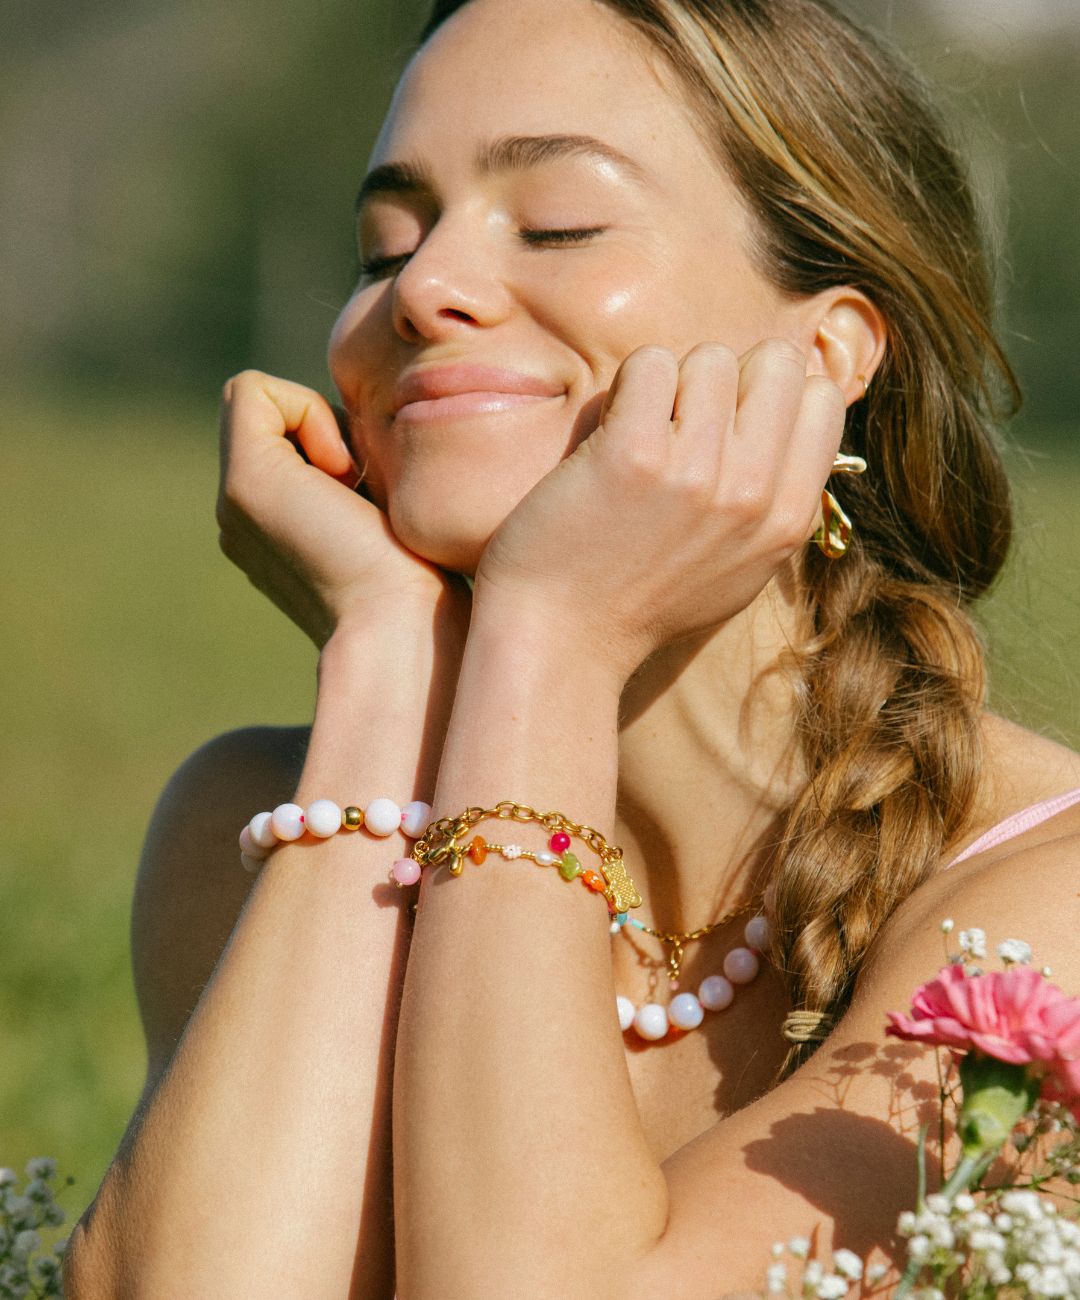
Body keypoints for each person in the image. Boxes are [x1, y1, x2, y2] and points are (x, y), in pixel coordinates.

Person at [64, 0, 1080, 1295]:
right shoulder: (265, 829)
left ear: (825, 355)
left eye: (557, 223)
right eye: (384, 243)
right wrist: (385, 657)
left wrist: (553, 628)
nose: (425, 288)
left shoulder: (1044, 920)